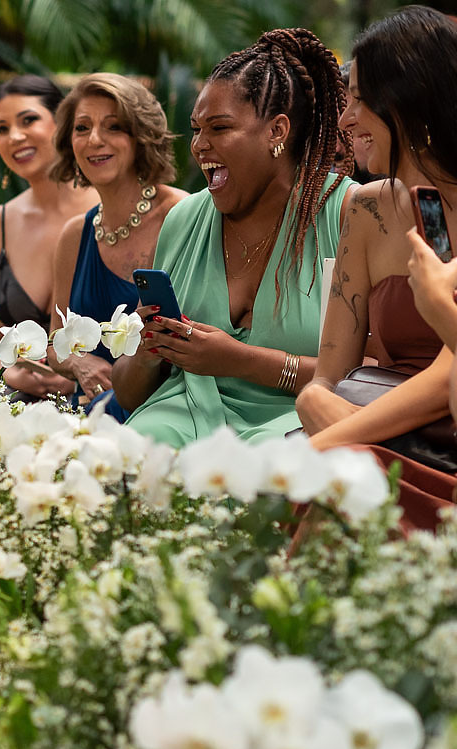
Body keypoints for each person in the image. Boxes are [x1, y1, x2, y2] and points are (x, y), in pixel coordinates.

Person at [112, 28, 354, 446]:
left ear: (276, 131)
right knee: (129, 454)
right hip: (180, 413)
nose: (200, 145)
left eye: (219, 128)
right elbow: (130, 394)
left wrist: (241, 361)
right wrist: (149, 350)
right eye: (196, 129)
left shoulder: (346, 213)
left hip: (294, 419)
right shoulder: (184, 218)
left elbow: (373, 374)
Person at [295, 6, 457, 531]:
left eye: (359, 100)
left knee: (335, 472)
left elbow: (444, 376)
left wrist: (328, 441)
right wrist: (319, 405)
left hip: (442, 446)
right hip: (375, 427)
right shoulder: (363, 207)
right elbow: (327, 376)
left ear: (411, 98)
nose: (344, 120)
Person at [44, 73, 188, 421]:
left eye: (113, 127)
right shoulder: (73, 235)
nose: (95, 139)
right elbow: (53, 344)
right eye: (82, 128)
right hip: (87, 418)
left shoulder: (182, 216)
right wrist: (79, 362)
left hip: (164, 415)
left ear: (141, 137)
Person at [0, 76, 99, 401]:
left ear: (62, 122)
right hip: (21, 401)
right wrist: (13, 374)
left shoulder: (107, 208)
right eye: (1, 129)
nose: (14, 137)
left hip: (103, 397)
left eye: (28, 120)